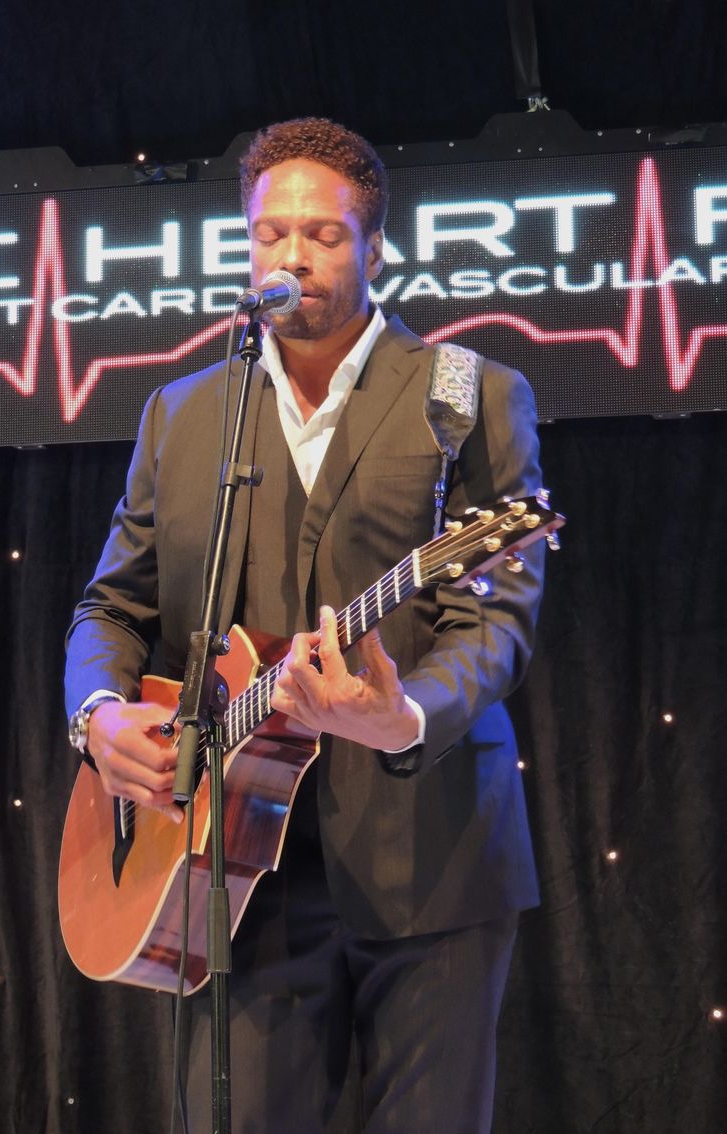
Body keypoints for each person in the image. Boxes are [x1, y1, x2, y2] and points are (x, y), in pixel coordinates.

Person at [65, 117, 545, 1133]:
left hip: (434, 865)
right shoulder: (184, 414)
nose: (290, 255)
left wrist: (400, 714)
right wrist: (97, 719)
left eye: (321, 235)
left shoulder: (468, 394)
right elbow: (112, 605)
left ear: (374, 247)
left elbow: (493, 621)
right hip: (230, 870)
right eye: (267, 234)